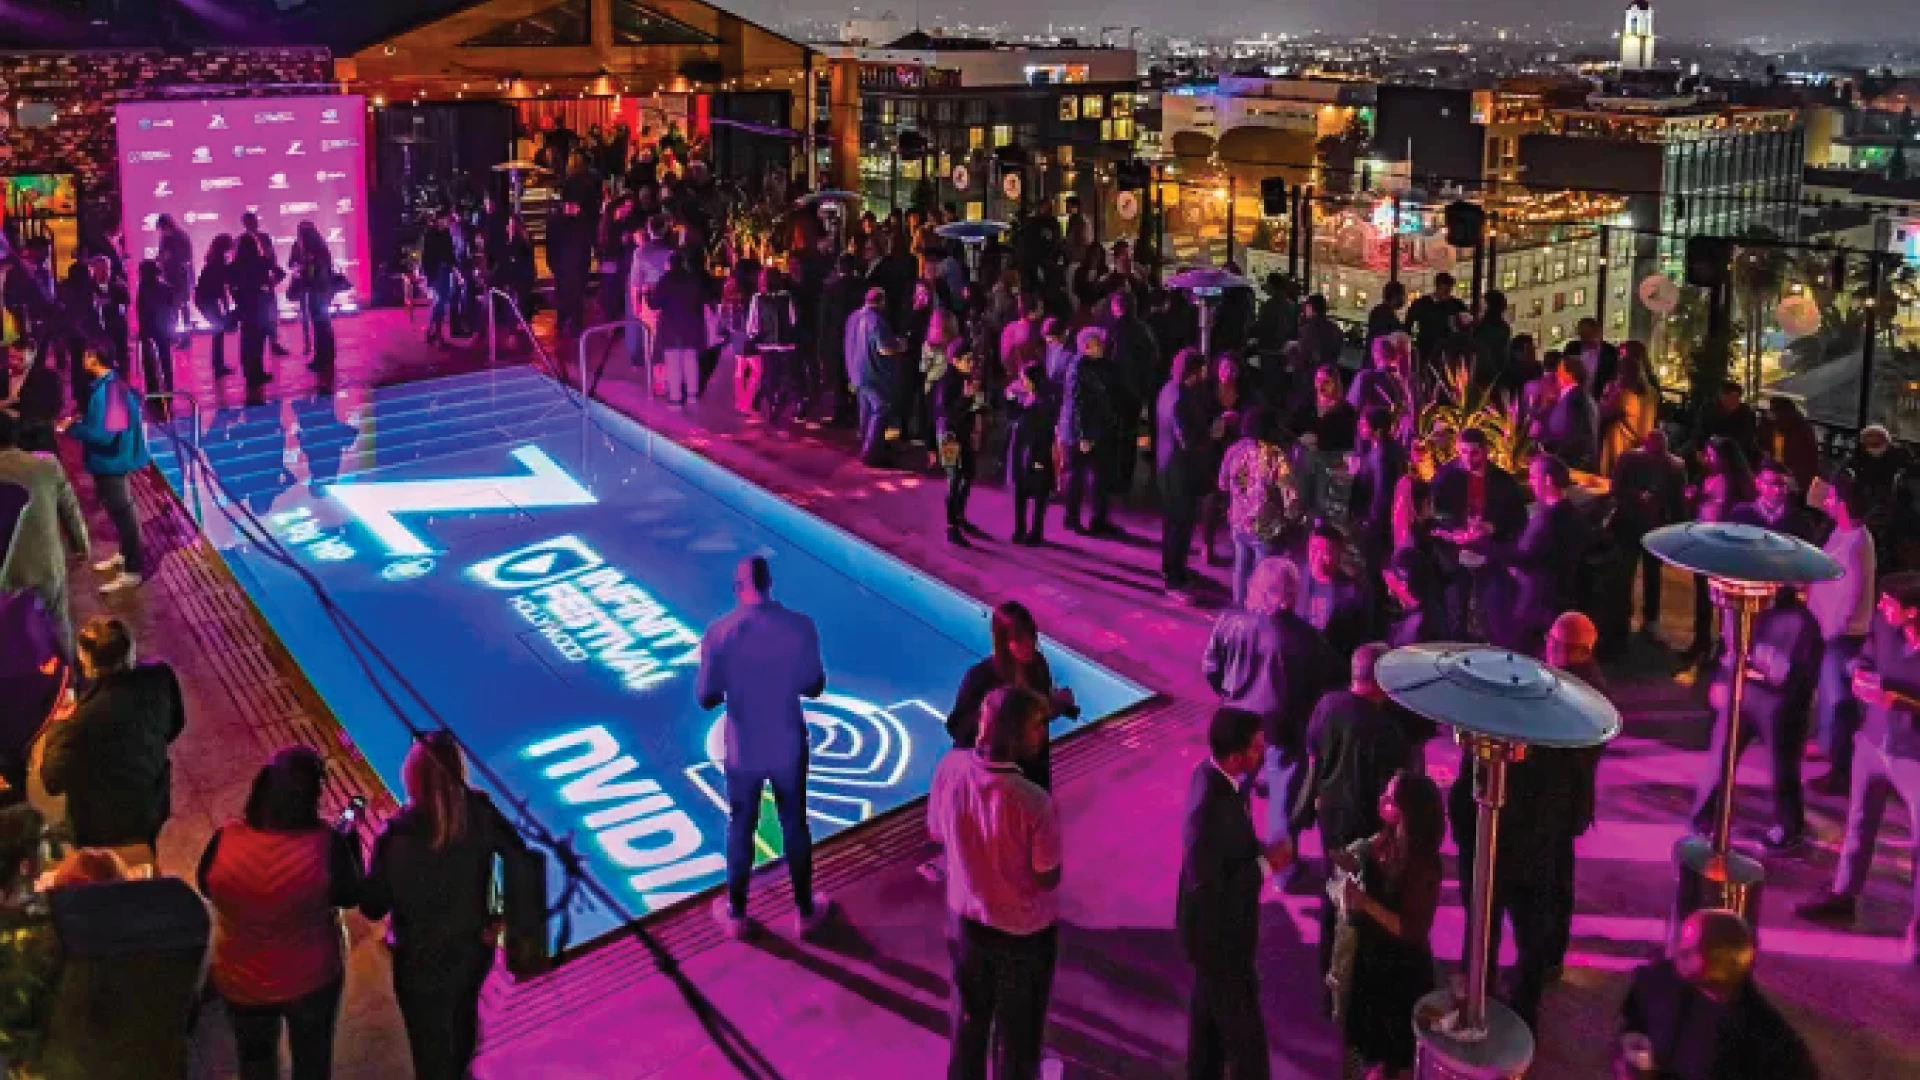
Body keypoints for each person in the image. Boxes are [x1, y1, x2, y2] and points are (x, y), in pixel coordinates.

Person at [361, 732, 530, 1080]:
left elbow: (373, 907)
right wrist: (500, 919)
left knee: (428, 1045)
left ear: (411, 776)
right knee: (464, 1014)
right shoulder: (480, 813)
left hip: (418, 960)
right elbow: (520, 859)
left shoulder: (394, 836)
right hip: (473, 949)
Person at [198, 748, 364, 1080]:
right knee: (312, 1064)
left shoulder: (225, 840)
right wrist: (351, 845)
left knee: (255, 1063)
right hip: (311, 982)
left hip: (241, 979)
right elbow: (351, 896)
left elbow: (206, 886)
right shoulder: (327, 846)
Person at [928, 688, 1062, 1080]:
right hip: (1023, 933)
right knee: (1019, 1033)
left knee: (969, 1025)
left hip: (966, 922)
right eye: (1039, 726)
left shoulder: (950, 769)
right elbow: (1046, 875)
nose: (1043, 734)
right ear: (1021, 736)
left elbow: (936, 831)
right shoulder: (1034, 802)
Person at [695, 556, 832, 938]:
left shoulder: (720, 633)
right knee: (795, 824)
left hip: (744, 748)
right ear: (770, 582)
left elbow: (705, 698)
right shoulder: (800, 626)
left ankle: (737, 912)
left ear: (737, 588)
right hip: (787, 742)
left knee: (741, 826)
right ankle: (805, 911)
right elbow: (814, 686)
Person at [1794, 573, 1920, 955]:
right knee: (1858, 824)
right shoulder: (1883, 626)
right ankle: (1843, 894)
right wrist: (1860, 674)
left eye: (1888, 603)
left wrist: (1900, 701)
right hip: (1872, 742)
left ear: (1912, 611)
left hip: (1913, 755)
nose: (1879, 608)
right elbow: (1865, 656)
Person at [1178, 707, 1296, 1080]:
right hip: (1219, 939)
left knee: (1208, 1030)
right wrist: (1266, 864)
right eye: (1256, 748)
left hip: (1215, 939)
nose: (1263, 754)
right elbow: (1210, 882)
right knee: (1246, 1042)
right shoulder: (1207, 809)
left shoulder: (1216, 779)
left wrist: (1260, 853)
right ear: (1234, 757)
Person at [1204, 557, 1341, 858]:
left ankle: (1230, 857)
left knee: (1231, 793)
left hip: (1236, 719)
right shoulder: (1304, 636)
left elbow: (1211, 668)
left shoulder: (1228, 621)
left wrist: (1229, 694)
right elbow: (1323, 682)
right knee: (1282, 803)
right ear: (1290, 594)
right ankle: (1283, 872)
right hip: (1282, 728)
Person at [1295, 644, 1411, 974]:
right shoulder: (1387, 731)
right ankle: (1348, 968)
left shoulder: (1328, 705)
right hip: (1364, 825)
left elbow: (1313, 751)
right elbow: (1393, 790)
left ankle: (1326, 960)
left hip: (1330, 816)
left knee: (1332, 887)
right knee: (1359, 895)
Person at [1689, 588, 1822, 853]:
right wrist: (1724, 676)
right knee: (1723, 760)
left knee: (1779, 768)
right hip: (1752, 695)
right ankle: (1705, 819)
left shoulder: (1800, 622)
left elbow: (1801, 676)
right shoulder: (1748, 611)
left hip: (1777, 703)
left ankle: (1787, 827)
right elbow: (1727, 648)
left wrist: (1739, 670)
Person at [39, 617, 186, 853]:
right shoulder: (159, 676)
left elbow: (52, 780)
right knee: (145, 851)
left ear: (91, 666)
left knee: (100, 866)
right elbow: (175, 725)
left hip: (100, 824)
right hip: (149, 801)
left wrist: (58, 724)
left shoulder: (80, 722)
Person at [1619, 909, 1817, 1080]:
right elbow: (1635, 1025)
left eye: (1694, 948)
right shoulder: (1662, 984)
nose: (1680, 951)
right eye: (1683, 941)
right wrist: (1635, 1056)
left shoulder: (1772, 1046)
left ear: (1730, 960)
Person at [1333, 771, 1443, 1079]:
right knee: (1369, 1045)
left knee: (1396, 1053)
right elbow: (1363, 857)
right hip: (1372, 961)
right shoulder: (1386, 839)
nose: (1382, 799)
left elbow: (1412, 929)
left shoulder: (1423, 864)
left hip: (1400, 971)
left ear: (1408, 812)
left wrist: (1365, 903)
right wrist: (1349, 863)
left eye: (1391, 798)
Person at [944, 601, 1079, 790]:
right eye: (1020, 639)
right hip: (999, 774)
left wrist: (1060, 704)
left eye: (1032, 636)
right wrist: (995, 721)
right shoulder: (981, 677)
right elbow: (957, 726)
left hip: (1034, 766)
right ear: (1003, 642)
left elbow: (1039, 712)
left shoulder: (1037, 665)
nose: (1029, 645)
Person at [1476, 454, 1592, 655]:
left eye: (1533, 477)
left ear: (1548, 480)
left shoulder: (1547, 519)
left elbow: (1522, 556)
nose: (1530, 482)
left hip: (1536, 600)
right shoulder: (1571, 512)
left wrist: (1480, 543)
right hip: (1560, 595)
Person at [58, 346, 150, 592]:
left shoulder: (111, 391)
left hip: (112, 462)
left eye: (85, 354)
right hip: (109, 462)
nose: (81, 359)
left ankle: (133, 570)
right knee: (120, 512)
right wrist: (82, 421)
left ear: (94, 359)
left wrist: (71, 429)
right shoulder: (107, 386)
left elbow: (104, 436)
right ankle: (126, 554)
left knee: (124, 514)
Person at [1809, 471, 1878, 796]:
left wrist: (1830, 631)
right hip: (1831, 633)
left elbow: (1850, 597)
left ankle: (1840, 770)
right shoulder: (1843, 531)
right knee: (1831, 699)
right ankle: (1830, 752)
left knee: (1840, 704)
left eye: (1833, 497)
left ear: (1844, 503)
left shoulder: (1856, 544)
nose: (1827, 501)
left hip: (1842, 637)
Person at [0, 412, 89, 653]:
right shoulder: (46, 465)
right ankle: (67, 671)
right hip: (45, 563)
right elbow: (70, 510)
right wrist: (81, 545)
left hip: (5, 572)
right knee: (58, 625)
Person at [1609, 430, 1687, 640]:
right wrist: (1637, 496)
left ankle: (1647, 620)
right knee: (1628, 574)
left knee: (1647, 575)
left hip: (1652, 528)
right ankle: (1625, 617)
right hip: (1632, 525)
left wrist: (1677, 530)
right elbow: (1615, 489)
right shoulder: (1630, 459)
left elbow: (1678, 503)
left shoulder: (1675, 466)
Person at [1219, 407, 1298, 607]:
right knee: (1262, 576)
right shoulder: (1276, 456)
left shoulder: (1235, 449)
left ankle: (1239, 609)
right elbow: (1290, 496)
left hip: (1238, 521)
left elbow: (1222, 483)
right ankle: (1257, 613)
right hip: (1265, 528)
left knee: (1240, 567)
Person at [1158, 348, 1213, 597]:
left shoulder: (1168, 389)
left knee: (1171, 522)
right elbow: (1187, 441)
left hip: (1166, 466)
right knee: (1181, 524)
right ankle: (1175, 578)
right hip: (1180, 472)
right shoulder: (1180, 399)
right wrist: (1211, 435)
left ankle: (1170, 567)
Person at [1060, 326, 1119, 536]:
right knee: (1075, 476)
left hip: (1094, 429)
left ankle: (1098, 518)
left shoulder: (1096, 365)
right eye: (1097, 344)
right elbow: (1077, 405)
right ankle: (1072, 518)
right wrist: (1083, 435)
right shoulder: (1078, 369)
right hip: (1079, 433)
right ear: (1086, 347)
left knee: (1099, 475)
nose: (1102, 347)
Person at [933, 334, 986, 546]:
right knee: (953, 478)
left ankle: (960, 515)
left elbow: (973, 409)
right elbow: (946, 414)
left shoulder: (967, 378)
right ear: (955, 360)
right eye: (967, 359)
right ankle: (951, 526)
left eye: (972, 358)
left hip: (963, 433)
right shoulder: (945, 383)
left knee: (968, 473)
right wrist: (966, 398)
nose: (971, 363)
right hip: (948, 436)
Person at [845, 286, 904, 464]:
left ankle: (866, 445)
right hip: (874, 374)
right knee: (880, 409)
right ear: (882, 301)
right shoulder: (877, 321)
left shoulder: (853, 317)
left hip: (856, 373)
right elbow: (884, 348)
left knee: (865, 412)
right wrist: (900, 345)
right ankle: (870, 452)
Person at [1298, 523, 1373, 662]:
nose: (1317, 558)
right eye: (1313, 549)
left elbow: (1361, 639)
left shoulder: (1353, 593)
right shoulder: (1296, 579)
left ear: (1338, 554)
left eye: (1326, 552)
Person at [1004, 360, 1057, 546]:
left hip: (1035, 453)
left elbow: (1044, 432)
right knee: (1020, 490)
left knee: (1039, 493)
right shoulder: (1028, 397)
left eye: (1025, 379)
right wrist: (1011, 401)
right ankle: (1020, 528)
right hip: (1021, 450)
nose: (1023, 382)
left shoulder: (1044, 402)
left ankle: (1035, 531)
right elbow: (1016, 418)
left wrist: (1040, 458)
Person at [649, 251, 710, 407]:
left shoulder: (665, 280)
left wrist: (648, 293)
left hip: (671, 329)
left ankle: (675, 399)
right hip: (692, 327)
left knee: (673, 364)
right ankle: (692, 396)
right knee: (691, 361)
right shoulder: (693, 280)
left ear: (670, 264)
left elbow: (654, 304)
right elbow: (703, 300)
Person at [227, 233, 278, 388]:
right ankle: (258, 372)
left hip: (244, 305)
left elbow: (230, 284)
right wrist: (269, 286)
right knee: (259, 339)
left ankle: (249, 373)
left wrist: (236, 296)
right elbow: (280, 273)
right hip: (260, 304)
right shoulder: (261, 261)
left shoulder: (235, 265)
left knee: (247, 338)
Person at [1597, 344, 1655, 475]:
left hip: (1620, 444)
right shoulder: (1651, 393)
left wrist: (1606, 394)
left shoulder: (1624, 395)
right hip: (1641, 444)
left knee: (1616, 477)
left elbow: (1602, 412)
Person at [1532, 355, 1598, 472]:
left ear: (1570, 373)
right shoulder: (1567, 396)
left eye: (1560, 370)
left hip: (1572, 465)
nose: (1556, 374)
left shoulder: (1579, 398)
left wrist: (1556, 454)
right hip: (1563, 461)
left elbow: (1581, 435)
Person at [1727, 458, 1816, 543]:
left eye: (1783, 485)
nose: (1777, 490)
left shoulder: (1801, 521)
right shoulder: (1740, 514)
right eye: (1772, 484)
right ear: (1758, 484)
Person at [291, 222, 337, 375]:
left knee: (319, 326)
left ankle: (321, 359)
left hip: (316, 292)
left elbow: (311, 274)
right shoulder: (323, 250)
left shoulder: (312, 255)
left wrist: (303, 275)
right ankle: (327, 357)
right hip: (324, 291)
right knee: (325, 326)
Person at [2, 337, 62, 453]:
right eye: (11, 357)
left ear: (33, 355)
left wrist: (19, 418)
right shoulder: (2, 375)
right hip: (7, 445)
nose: (14, 362)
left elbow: (52, 410)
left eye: (20, 359)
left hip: (38, 442)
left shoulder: (48, 378)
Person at [195, 235, 235, 378]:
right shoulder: (219, 263)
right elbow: (221, 288)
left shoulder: (214, 261)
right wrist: (226, 307)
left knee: (218, 330)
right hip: (207, 299)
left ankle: (218, 364)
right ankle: (218, 365)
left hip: (204, 299)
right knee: (218, 329)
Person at [133, 259, 175, 397]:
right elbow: (171, 310)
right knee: (165, 359)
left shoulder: (143, 289)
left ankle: (153, 391)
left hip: (149, 329)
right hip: (163, 328)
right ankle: (168, 388)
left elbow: (141, 311)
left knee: (150, 362)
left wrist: (142, 331)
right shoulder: (166, 288)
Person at [1406, 274, 1467, 365]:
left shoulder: (1456, 304)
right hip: (1427, 349)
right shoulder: (1422, 304)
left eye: (1449, 290)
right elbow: (1409, 324)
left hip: (1448, 349)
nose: (1447, 294)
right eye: (1444, 290)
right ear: (1437, 287)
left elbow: (1466, 323)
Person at [155, 214, 193, 349]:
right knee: (174, 309)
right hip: (171, 278)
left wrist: (169, 258)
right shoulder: (167, 238)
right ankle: (175, 337)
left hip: (180, 278)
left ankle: (184, 338)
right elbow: (162, 255)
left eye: (161, 228)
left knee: (181, 307)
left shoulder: (179, 237)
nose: (161, 231)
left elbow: (186, 257)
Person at [1560, 317, 1618, 398]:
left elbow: (1613, 376)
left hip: (1600, 398)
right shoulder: (1572, 348)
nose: (1583, 339)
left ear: (1597, 332)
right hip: (1574, 397)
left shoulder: (1610, 351)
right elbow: (1563, 371)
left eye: (1587, 334)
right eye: (1581, 335)